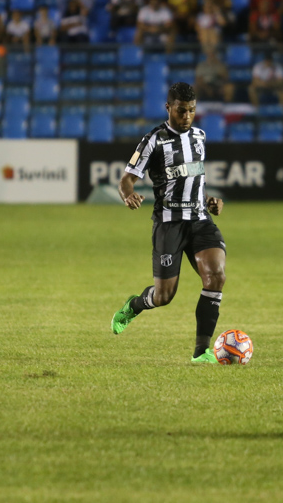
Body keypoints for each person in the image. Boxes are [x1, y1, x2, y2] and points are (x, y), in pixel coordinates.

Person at [111, 81, 227, 365]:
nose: (186, 116)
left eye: (191, 110)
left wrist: (211, 200)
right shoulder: (154, 139)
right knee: (164, 296)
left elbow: (194, 180)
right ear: (168, 108)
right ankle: (134, 305)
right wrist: (128, 196)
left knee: (216, 277)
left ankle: (202, 352)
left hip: (200, 220)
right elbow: (127, 178)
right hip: (169, 224)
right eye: (180, 110)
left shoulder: (199, 136)